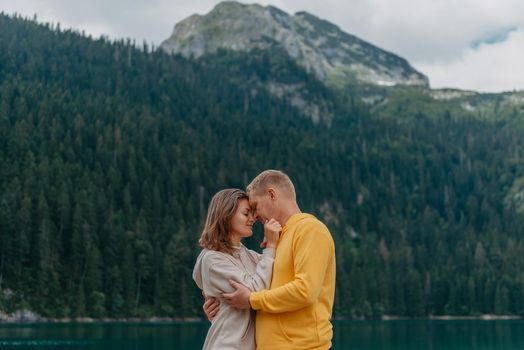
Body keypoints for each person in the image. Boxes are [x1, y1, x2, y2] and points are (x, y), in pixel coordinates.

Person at [206, 170, 336, 350]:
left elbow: (305, 291)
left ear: (272, 194)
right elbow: (251, 281)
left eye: (255, 206)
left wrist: (252, 300)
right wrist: (221, 304)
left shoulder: (310, 229)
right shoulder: (277, 241)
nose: (255, 216)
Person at [193, 188, 281, 350]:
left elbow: (277, 271)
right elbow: (255, 291)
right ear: (226, 216)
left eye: (253, 214)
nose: (252, 218)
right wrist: (271, 246)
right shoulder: (213, 259)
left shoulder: (246, 254)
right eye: (246, 213)